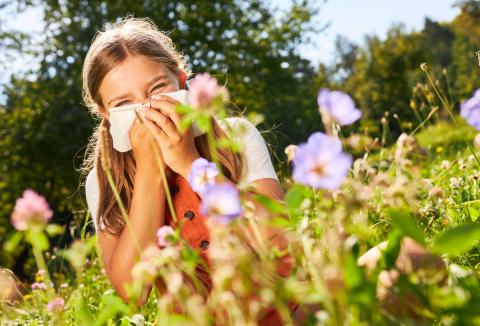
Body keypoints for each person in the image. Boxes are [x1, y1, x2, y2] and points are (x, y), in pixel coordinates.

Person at [82, 17, 295, 324]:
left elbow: (278, 244)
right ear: (106, 113)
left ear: (181, 81)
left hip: (282, 309)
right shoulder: (104, 182)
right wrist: (149, 174)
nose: (146, 110)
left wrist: (189, 162)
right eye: (125, 102)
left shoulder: (235, 136)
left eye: (157, 88)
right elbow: (133, 291)